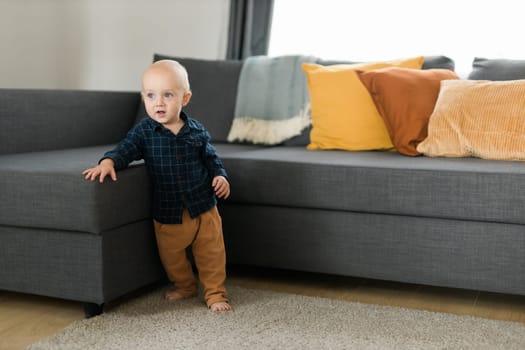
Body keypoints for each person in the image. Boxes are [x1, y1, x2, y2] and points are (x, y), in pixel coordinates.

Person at [82, 60, 231, 312]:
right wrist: (108, 161)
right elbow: (125, 149)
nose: (159, 102)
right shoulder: (144, 132)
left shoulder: (196, 131)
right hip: (169, 210)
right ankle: (185, 286)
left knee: (212, 253)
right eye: (151, 95)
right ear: (144, 98)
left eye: (167, 95)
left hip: (204, 205)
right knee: (171, 256)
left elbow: (211, 159)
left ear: (185, 98)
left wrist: (220, 176)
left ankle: (216, 294)